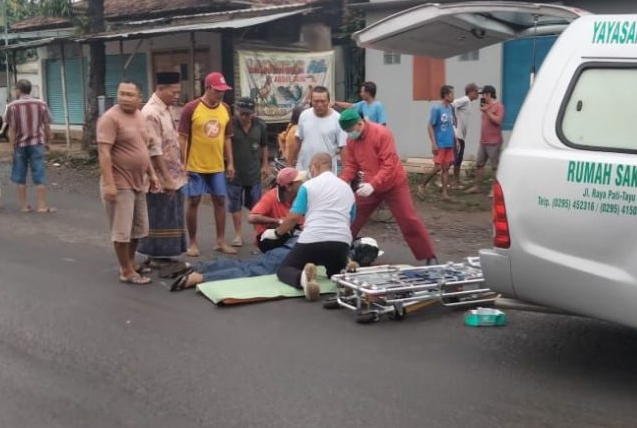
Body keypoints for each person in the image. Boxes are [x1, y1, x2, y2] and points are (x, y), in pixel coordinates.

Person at [169, 168, 308, 291]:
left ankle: (196, 268)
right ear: (289, 186)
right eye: (298, 181)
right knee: (254, 269)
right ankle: (201, 276)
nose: (302, 183)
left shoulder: (300, 197)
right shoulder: (274, 197)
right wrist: (277, 222)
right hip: (280, 242)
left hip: (288, 241)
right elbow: (253, 217)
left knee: (249, 264)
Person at [338, 109, 438, 265]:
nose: (349, 134)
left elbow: (389, 165)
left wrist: (373, 184)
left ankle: (429, 256)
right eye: (346, 131)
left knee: (408, 219)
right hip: (370, 186)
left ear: (360, 123)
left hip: (393, 184)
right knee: (351, 217)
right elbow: (351, 164)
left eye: (350, 130)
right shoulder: (352, 141)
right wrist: (343, 181)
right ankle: (339, 253)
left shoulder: (381, 134)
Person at [98, 80, 161, 286]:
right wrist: (109, 184)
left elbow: (143, 149)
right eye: (121, 93)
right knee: (121, 230)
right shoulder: (109, 119)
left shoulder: (139, 117)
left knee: (138, 228)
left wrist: (152, 174)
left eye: (129, 94)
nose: (125, 98)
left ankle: (131, 263)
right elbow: (104, 152)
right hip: (119, 181)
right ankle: (125, 270)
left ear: (139, 97)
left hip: (138, 181)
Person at [275, 152, 355, 301]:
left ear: (316, 166)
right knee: (334, 270)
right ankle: (344, 275)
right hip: (341, 241)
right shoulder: (347, 188)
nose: (311, 172)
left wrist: (278, 233)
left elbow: (293, 217)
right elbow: (351, 218)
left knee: (284, 270)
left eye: (311, 168)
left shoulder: (308, 186)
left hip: (313, 240)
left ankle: (303, 279)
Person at [179, 72, 237, 257]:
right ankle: (193, 242)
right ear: (207, 88)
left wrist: (230, 163)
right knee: (193, 201)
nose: (220, 94)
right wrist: (183, 163)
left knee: (220, 200)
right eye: (217, 90)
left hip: (217, 165)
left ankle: (220, 241)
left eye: (223, 91)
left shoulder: (225, 109)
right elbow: (182, 138)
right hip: (195, 165)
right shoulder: (191, 108)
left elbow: (227, 138)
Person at [137, 72, 189, 272]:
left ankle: (165, 255)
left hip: (175, 175)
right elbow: (153, 149)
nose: (176, 95)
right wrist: (165, 178)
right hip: (159, 177)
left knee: (171, 215)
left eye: (178, 91)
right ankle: (156, 256)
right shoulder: (150, 113)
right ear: (161, 89)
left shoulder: (166, 109)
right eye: (173, 92)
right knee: (159, 216)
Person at [5, 79, 54, 213]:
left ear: (18, 90)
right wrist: (48, 142)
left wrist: (11, 148)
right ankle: (42, 206)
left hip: (19, 145)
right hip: (37, 143)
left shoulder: (12, 106)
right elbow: (47, 125)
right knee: (39, 173)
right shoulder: (41, 104)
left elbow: (11, 130)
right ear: (30, 90)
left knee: (20, 175)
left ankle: (24, 206)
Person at [227, 97, 269, 247]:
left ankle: (256, 234)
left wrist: (265, 165)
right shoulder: (230, 124)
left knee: (256, 205)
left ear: (253, 113)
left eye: (248, 114)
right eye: (242, 113)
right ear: (237, 111)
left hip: (253, 172)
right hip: (235, 172)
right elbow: (225, 145)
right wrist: (229, 164)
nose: (244, 117)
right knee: (235, 204)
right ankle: (238, 235)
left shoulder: (260, 125)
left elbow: (264, 146)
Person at [289, 86, 347, 174]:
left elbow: (343, 147)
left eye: (323, 101)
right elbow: (297, 140)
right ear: (311, 101)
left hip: (326, 172)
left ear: (328, 101)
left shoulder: (337, 119)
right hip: (304, 170)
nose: (319, 104)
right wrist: (290, 165)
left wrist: (345, 172)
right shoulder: (304, 115)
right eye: (316, 101)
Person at [419, 85, 457, 200]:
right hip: (440, 143)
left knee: (446, 168)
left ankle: (444, 194)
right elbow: (430, 126)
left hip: (449, 143)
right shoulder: (437, 109)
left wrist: (455, 140)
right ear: (446, 95)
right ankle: (422, 185)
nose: (453, 96)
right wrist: (434, 143)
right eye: (451, 94)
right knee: (437, 167)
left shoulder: (450, 108)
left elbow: (451, 126)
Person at [465, 85, 505, 195]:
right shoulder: (485, 106)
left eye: (483, 94)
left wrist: (487, 111)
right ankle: (476, 186)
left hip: (494, 142)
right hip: (483, 141)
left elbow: (498, 121)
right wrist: (485, 110)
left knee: (494, 167)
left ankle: (494, 189)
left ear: (489, 94)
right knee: (479, 164)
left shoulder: (499, 106)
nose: (482, 97)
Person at [450, 83, 480, 187]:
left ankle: (456, 181)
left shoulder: (468, 102)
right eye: (477, 91)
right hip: (457, 135)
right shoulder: (465, 100)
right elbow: (451, 104)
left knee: (458, 159)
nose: (478, 94)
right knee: (454, 159)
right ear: (471, 92)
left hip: (461, 136)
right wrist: (453, 121)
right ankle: (448, 181)